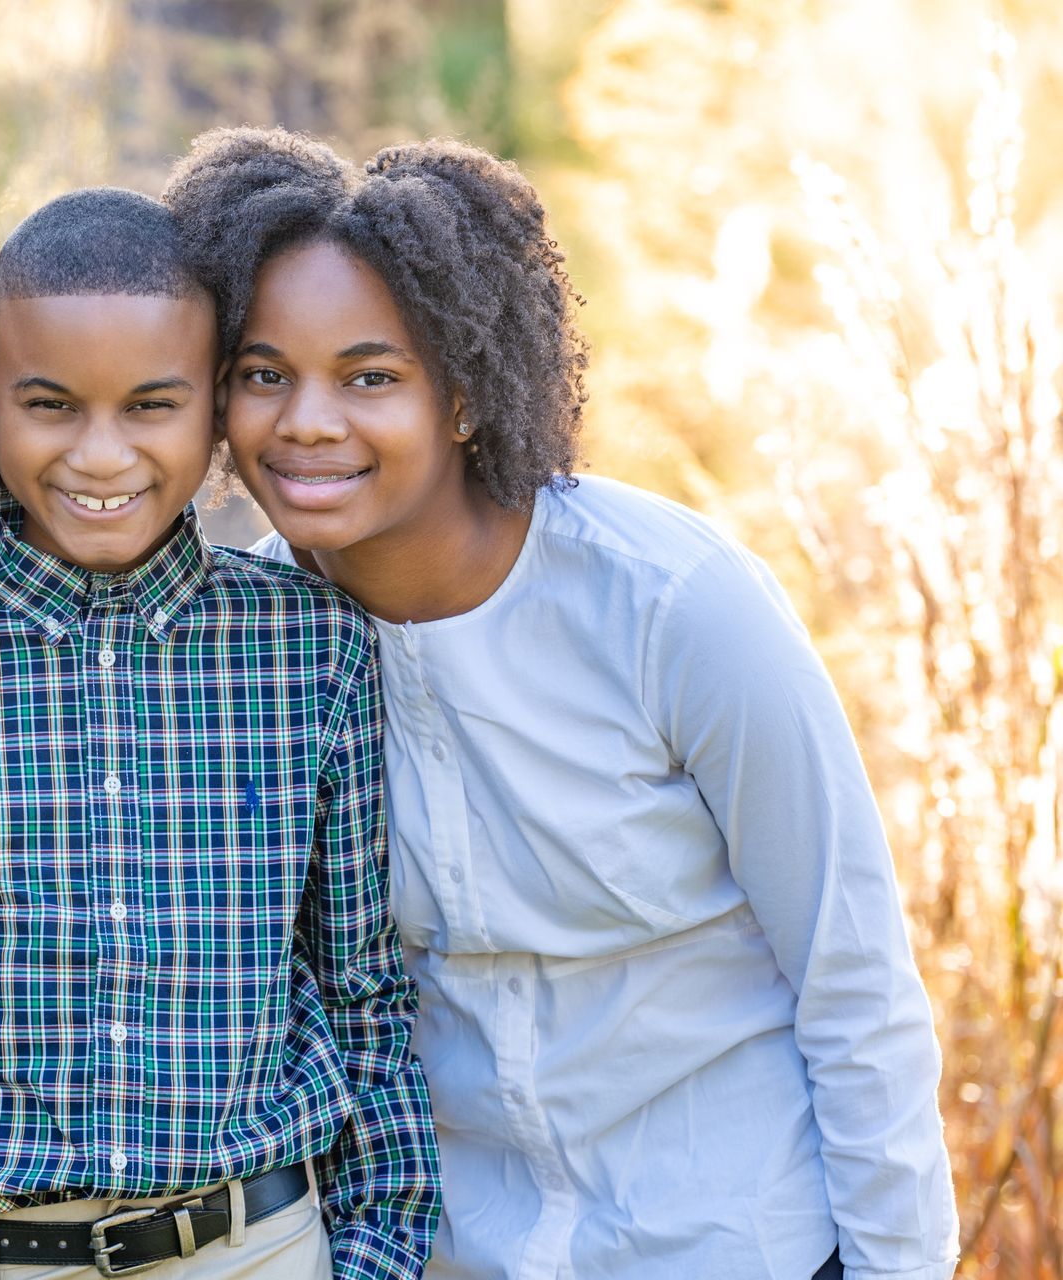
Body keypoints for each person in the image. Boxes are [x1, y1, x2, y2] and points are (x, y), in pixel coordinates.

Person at [162, 128, 961, 1280]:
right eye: (264, 373)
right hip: (458, 1252)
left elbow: (856, 977)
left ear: (469, 395)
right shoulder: (256, 652)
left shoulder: (673, 604)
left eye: (371, 375)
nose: (307, 422)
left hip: (739, 1243)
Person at [0, 188, 439, 1280]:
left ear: (213, 409)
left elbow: (360, 984)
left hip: (251, 1245)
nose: (102, 455)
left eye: (151, 406)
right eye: (52, 405)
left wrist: (381, 1247)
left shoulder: (316, 650)